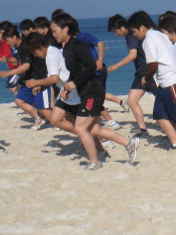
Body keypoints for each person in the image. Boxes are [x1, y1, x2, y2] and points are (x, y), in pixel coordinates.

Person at [51, 13, 139, 170]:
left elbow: (91, 66)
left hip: (93, 91)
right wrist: (66, 88)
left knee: (80, 128)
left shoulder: (77, 45)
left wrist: (75, 83)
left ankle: (95, 162)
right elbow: (75, 72)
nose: (53, 34)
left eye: (55, 31)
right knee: (93, 129)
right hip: (84, 91)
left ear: (65, 29)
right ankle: (128, 143)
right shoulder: (66, 49)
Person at [128, 11, 176, 151]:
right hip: (165, 83)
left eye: (134, 31)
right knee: (160, 114)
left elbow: (153, 65)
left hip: (171, 81)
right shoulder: (160, 34)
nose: (134, 35)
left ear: (142, 27)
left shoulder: (148, 40)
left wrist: (146, 78)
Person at [107, 14, 154, 137]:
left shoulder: (130, 35)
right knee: (132, 101)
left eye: (115, 31)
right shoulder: (134, 33)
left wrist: (115, 66)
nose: (116, 34)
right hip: (143, 70)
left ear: (122, 27)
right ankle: (143, 129)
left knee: (163, 99)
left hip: (146, 70)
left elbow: (133, 54)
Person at [0, 26, 52, 130]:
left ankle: (59, 122)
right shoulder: (21, 47)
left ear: (14, 37)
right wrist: (10, 60)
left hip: (39, 79)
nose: (7, 43)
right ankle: (39, 118)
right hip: (30, 80)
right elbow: (21, 60)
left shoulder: (24, 47)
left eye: (8, 40)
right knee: (19, 101)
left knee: (43, 107)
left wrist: (9, 73)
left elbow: (26, 66)